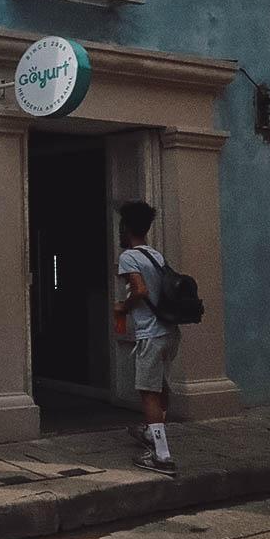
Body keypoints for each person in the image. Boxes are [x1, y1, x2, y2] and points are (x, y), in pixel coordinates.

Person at [114, 200, 180, 476]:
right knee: (161, 387)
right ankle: (153, 433)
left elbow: (139, 290)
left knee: (149, 393)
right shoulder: (156, 255)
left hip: (150, 333)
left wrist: (123, 307)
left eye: (120, 225)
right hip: (169, 331)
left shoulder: (129, 256)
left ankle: (161, 455)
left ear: (126, 227)